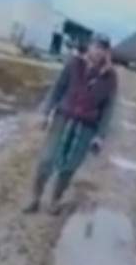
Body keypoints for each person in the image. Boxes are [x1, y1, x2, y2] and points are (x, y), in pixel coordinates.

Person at [25, 35, 117, 214]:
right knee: (47, 159)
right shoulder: (74, 64)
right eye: (95, 46)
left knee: (69, 167)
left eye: (102, 48)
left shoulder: (110, 76)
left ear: (106, 52)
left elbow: (108, 109)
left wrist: (100, 136)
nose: (98, 51)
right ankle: (35, 198)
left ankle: (55, 200)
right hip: (63, 119)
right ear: (89, 46)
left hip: (86, 128)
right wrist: (45, 113)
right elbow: (57, 89)